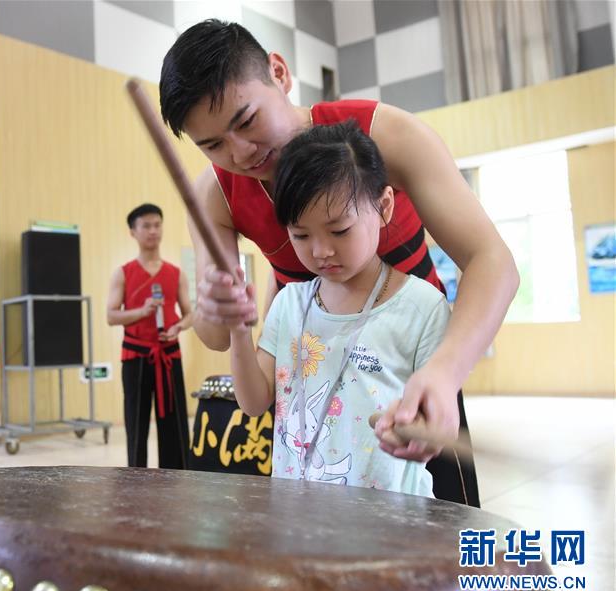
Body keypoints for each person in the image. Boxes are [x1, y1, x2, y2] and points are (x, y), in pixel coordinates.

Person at [158, 20, 518, 506]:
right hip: (314, 399)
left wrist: (444, 373)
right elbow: (218, 334)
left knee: (441, 555)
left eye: (245, 121)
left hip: (412, 378)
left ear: (279, 73)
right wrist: (215, 307)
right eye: (212, 145)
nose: (240, 153)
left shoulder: (386, 135)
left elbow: (492, 260)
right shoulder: (215, 195)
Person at [230, 122, 447, 495]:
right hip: (297, 520)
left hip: (390, 521)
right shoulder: (289, 304)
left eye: (340, 230)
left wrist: (416, 430)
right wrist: (238, 329)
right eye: (300, 235)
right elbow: (253, 402)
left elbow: (439, 424)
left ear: (383, 207)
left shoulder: (422, 307)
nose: (320, 251)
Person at [106, 203, 193, 468]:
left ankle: (177, 474)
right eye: (146, 226)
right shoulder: (123, 273)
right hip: (136, 356)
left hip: (168, 354)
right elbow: (111, 316)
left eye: (157, 224)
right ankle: (136, 476)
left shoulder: (175, 273)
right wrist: (142, 311)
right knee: (136, 421)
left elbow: (190, 314)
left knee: (175, 422)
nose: (153, 231)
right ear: (133, 231)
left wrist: (178, 327)